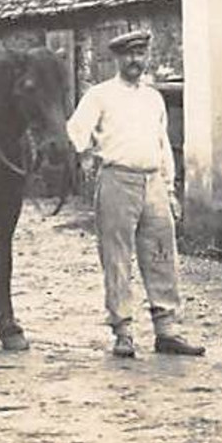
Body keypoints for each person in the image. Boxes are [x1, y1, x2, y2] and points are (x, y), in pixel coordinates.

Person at [66, 30, 204, 359]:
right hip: (117, 179)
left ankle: (166, 329)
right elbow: (75, 131)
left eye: (140, 54)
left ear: (146, 57)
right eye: (128, 55)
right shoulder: (100, 95)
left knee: (161, 253)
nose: (135, 61)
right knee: (116, 258)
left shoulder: (153, 98)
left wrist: (170, 189)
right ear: (117, 58)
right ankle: (123, 331)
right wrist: (87, 155)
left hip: (153, 180)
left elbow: (162, 144)